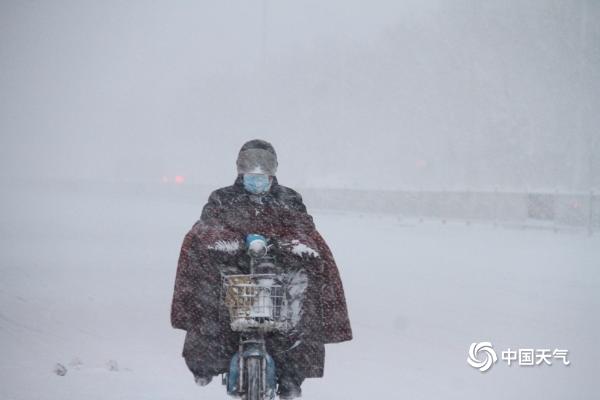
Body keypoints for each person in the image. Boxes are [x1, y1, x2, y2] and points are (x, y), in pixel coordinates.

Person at [171, 139, 352, 399]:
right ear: (239, 168)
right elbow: (207, 231)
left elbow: (303, 231)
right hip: (232, 273)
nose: (256, 174)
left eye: (264, 166)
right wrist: (237, 244)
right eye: (249, 166)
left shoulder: (288, 199)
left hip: (278, 274)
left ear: (274, 169)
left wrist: (277, 245)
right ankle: (205, 363)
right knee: (207, 297)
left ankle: (292, 376)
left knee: (301, 303)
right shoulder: (222, 198)